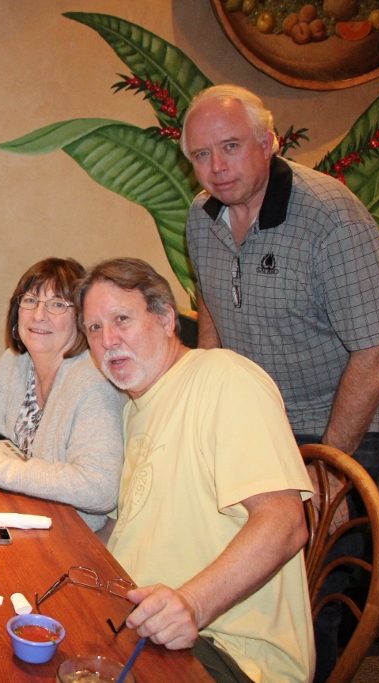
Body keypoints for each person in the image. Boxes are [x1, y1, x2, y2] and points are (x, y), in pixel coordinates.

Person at [181, 84, 379, 680]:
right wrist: (205, 401)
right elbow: (212, 310)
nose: (216, 167)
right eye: (200, 155)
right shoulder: (203, 217)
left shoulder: (331, 217)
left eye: (230, 147)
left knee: (317, 584)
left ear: (268, 143)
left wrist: (326, 467)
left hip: (343, 413)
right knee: (247, 567)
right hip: (260, 416)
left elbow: (375, 350)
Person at [77, 257, 314, 683]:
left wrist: (192, 604)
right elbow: (126, 525)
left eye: (121, 319)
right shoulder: (135, 408)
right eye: (94, 328)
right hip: (139, 624)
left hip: (226, 650)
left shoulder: (224, 377)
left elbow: (285, 521)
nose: (108, 340)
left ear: (167, 318)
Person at [0, 258, 126, 531]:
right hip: (24, 515)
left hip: (75, 535)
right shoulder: (17, 362)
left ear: (81, 318)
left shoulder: (93, 383)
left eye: (57, 304)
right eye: (30, 300)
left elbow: (99, 487)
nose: (38, 315)